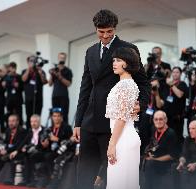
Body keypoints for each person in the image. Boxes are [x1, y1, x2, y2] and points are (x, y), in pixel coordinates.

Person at [73, 9, 149, 189]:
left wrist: (142, 104)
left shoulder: (128, 49)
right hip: (89, 122)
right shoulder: (90, 51)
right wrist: (78, 121)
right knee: (84, 173)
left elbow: (143, 83)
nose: (106, 36)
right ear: (95, 29)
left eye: (109, 31)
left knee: (112, 175)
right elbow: (85, 88)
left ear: (115, 28)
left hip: (113, 124)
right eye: (101, 32)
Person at [104, 47, 141, 189]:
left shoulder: (125, 85)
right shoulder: (128, 84)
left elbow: (121, 118)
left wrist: (112, 144)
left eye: (118, 60)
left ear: (127, 63)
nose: (114, 63)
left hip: (122, 140)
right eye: (114, 60)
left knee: (119, 184)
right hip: (125, 137)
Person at [0, 114, 27, 185]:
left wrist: (7, 151)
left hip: (19, 152)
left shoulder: (22, 131)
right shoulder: (8, 130)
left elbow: (18, 145)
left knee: (5, 158)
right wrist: (2, 149)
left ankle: (11, 179)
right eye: (9, 121)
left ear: (17, 122)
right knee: (1, 157)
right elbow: (6, 143)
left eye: (13, 121)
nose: (10, 123)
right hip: (9, 152)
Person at [142, 110, 177, 189]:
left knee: (150, 164)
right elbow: (153, 144)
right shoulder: (153, 129)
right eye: (156, 119)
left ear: (166, 120)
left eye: (161, 119)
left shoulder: (171, 134)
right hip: (153, 163)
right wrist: (149, 152)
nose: (158, 121)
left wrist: (154, 159)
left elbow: (172, 156)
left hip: (165, 165)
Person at [22, 56, 47, 129]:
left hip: (38, 98)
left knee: (37, 116)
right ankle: (29, 133)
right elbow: (23, 79)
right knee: (28, 116)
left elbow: (45, 82)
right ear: (28, 62)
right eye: (31, 60)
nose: (33, 62)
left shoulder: (40, 71)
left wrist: (40, 72)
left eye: (34, 60)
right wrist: (28, 69)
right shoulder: (25, 71)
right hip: (28, 98)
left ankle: (37, 133)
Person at [165, 67, 188, 146]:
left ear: (180, 74)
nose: (175, 74)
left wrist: (171, 85)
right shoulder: (167, 84)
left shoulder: (182, 84)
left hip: (177, 116)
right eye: (173, 72)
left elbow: (179, 95)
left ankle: (177, 155)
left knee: (177, 136)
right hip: (167, 115)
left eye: (177, 72)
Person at [49, 52, 73, 123]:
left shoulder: (68, 71)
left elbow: (68, 84)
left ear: (65, 59)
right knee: (55, 115)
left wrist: (60, 76)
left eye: (63, 58)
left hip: (64, 96)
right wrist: (52, 74)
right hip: (55, 96)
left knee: (64, 115)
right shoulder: (54, 69)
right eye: (60, 57)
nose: (62, 59)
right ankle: (54, 131)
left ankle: (65, 133)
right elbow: (50, 84)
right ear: (58, 58)